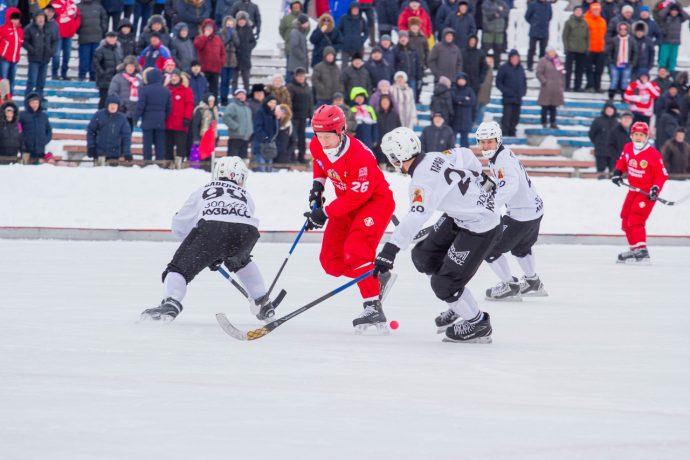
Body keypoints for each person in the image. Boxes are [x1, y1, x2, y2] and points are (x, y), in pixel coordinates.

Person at [375, 126, 500, 342]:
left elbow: (416, 216)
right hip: (460, 216)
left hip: (481, 226)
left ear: (396, 157)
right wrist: (482, 177)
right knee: (423, 256)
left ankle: (478, 324)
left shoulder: (421, 183)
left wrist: (390, 250)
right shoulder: (436, 156)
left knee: (443, 285)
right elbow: (466, 154)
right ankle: (457, 301)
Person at [140, 157, 278, 322]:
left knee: (178, 270)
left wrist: (206, 251)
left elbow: (180, 226)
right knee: (241, 261)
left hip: (211, 229)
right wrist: (219, 252)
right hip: (246, 231)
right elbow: (237, 222)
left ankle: (171, 304)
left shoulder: (203, 190)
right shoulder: (245, 195)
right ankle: (263, 301)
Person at [302, 105, 396, 333]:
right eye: (319, 135)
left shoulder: (360, 156)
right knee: (331, 262)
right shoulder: (317, 144)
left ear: (341, 130)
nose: (323, 142)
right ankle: (376, 276)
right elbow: (320, 162)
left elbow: (357, 196)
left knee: (356, 250)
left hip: (375, 203)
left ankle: (373, 306)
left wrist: (323, 213)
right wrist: (318, 186)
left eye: (328, 136)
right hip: (347, 203)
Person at [474, 121, 546, 301]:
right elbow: (505, 182)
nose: (485, 146)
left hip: (521, 215)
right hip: (534, 209)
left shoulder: (502, 162)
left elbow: (508, 187)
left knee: (488, 249)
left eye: (489, 141)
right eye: (482, 142)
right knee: (521, 247)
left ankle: (510, 286)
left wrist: (488, 208)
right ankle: (532, 282)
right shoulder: (502, 155)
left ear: (498, 140)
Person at [611, 121, 668, 263]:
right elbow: (622, 161)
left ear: (646, 137)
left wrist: (655, 189)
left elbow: (662, 175)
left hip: (647, 192)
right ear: (631, 136)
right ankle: (634, 249)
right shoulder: (628, 147)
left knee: (636, 219)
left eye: (641, 135)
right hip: (633, 189)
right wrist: (618, 172)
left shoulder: (653, 154)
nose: (638, 137)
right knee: (625, 218)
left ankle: (642, 251)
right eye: (635, 134)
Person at [136, 68, 172, 161]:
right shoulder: (166, 90)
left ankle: (147, 161)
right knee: (159, 143)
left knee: (147, 144)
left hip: (147, 121)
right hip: (160, 121)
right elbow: (169, 108)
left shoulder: (145, 90)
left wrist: (136, 117)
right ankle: (159, 161)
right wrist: (164, 117)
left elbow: (141, 106)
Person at [87, 94, 132, 165]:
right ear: (107, 105)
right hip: (100, 153)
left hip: (115, 154)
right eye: (111, 104)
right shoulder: (99, 115)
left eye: (115, 105)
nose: (113, 107)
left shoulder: (122, 118)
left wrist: (127, 153)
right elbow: (91, 131)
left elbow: (126, 137)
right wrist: (91, 147)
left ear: (118, 106)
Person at [22, 11, 57, 99]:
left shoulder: (48, 28)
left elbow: (54, 40)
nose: (41, 19)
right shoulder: (29, 28)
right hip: (34, 59)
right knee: (32, 81)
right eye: (39, 17)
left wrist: (51, 51)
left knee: (41, 81)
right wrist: (32, 50)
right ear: (35, 18)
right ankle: (28, 98)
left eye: (42, 17)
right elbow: (24, 41)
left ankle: (39, 98)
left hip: (45, 58)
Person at [165, 70, 194, 166]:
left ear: (180, 78)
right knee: (168, 144)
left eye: (176, 76)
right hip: (168, 122)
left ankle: (180, 162)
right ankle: (169, 162)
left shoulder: (186, 90)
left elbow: (189, 105)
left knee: (180, 144)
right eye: (172, 76)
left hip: (180, 123)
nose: (174, 78)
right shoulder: (166, 89)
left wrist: (187, 118)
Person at [496, 49, 527, 137]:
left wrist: (523, 91)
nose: (515, 59)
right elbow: (498, 82)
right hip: (508, 97)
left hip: (518, 97)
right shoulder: (503, 68)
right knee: (507, 116)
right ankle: (505, 133)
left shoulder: (521, 68)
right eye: (513, 57)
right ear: (510, 58)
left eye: (517, 58)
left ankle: (512, 132)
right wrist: (506, 91)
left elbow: (524, 81)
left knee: (515, 117)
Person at [194, 19, 226, 99]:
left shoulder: (218, 39)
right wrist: (205, 36)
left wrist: (220, 62)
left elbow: (223, 53)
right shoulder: (199, 38)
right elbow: (197, 46)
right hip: (204, 69)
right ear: (203, 28)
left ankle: (214, 106)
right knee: (203, 89)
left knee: (214, 90)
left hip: (215, 70)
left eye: (211, 28)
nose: (209, 29)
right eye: (207, 27)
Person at [286, 67, 313, 164]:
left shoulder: (307, 88)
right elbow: (288, 103)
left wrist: (311, 115)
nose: (301, 78)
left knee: (302, 138)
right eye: (299, 76)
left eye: (303, 76)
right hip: (293, 117)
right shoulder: (290, 87)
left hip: (303, 117)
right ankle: (292, 157)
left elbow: (310, 103)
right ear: (295, 76)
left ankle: (301, 157)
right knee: (293, 138)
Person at [77, 0, 107, 82]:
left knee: (95, 59)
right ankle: (82, 76)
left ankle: (93, 76)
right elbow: (75, 21)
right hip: (84, 38)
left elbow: (104, 19)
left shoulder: (99, 6)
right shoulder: (78, 7)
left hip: (97, 38)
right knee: (84, 59)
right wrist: (79, 31)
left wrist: (102, 30)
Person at [108, 56, 142, 128]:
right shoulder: (118, 77)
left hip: (133, 112)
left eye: (132, 66)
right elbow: (112, 93)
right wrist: (121, 105)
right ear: (125, 66)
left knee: (128, 134)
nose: (130, 68)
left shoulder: (139, 79)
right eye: (129, 66)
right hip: (121, 111)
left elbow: (142, 94)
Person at [536, 46, 565, 129]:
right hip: (546, 88)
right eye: (550, 52)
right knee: (545, 106)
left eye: (553, 52)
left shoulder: (558, 61)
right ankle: (544, 122)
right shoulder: (543, 61)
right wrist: (544, 81)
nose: (552, 54)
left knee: (554, 106)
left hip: (556, 88)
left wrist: (561, 83)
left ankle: (553, 122)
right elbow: (539, 72)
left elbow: (562, 72)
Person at [50, 0, 80, 81]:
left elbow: (77, 17)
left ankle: (64, 73)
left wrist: (73, 29)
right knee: (56, 55)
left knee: (67, 55)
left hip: (69, 34)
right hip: (58, 34)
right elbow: (50, 18)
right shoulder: (54, 3)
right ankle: (54, 74)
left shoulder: (72, 4)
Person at [562, 5, 589, 92]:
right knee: (568, 70)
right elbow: (565, 36)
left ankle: (577, 86)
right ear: (574, 12)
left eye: (580, 11)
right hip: (571, 49)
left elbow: (587, 37)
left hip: (581, 50)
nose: (578, 12)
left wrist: (587, 48)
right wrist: (566, 47)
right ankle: (567, 86)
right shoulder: (569, 22)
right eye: (577, 11)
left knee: (579, 70)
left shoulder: (585, 23)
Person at [607, 22, 636, 101]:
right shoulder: (614, 40)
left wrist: (632, 63)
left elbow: (635, 52)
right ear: (618, 30)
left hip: (626, 64)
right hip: (615, 63)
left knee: (624, 81)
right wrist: (611, 62)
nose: (623, 31)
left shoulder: (631, 40)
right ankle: (611, 97)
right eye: (621, 29)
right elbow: (610, 52)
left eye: (625, 29)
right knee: (614, 80)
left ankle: (624, 97)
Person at [589, 102, 619, 177]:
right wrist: (597, 143)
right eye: (608, 109)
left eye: (611, 109)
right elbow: (591, 134)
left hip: (613, 152)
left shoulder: (617, 122)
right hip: (600, 150)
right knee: (600, 171)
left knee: (613, 171)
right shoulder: (598, 121)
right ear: (604, 110)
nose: (609, 111)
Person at [19, 93, 52, 163]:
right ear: (28, 103)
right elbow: (18, 130)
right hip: (26, 149)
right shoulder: (22, 115)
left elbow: (49, 131)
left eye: (37, 102)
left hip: (40, 149)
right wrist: (23, 141)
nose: (35, 105)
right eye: (33, 103)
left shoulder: (44, 116)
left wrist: (44, 141)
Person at [94, 32, 123, 109]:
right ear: (106, 38)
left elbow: (121, 61)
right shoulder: (100, 50)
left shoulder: (119, 50)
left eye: (113, 37)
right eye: (110, 37)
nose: (112, 39)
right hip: (104, 80)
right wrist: (103, 73)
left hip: (116, 79)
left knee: (114, 101)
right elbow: (95, 63)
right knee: (104, 100)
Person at [657, 3, 688, 73]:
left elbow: (687, 16)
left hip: (675, 42)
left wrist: (679, 8)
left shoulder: (679, 18)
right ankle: (661, 72)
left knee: (673, 59)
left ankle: (671, 73)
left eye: (676, 11)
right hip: (666, 41)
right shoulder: (665, 18)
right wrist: (669, 7)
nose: (674, 12)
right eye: (672, 10)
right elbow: (660, 15)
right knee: (663, 58)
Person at [223, 87, 253, 159]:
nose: (242, 96)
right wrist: (235, 127)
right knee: (233, 160)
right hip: (235, 137)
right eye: (240, 94)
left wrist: (250, 132)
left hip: (245, 138)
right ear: (236, 96)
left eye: (243, 94)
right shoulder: (232, 106)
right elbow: (226, 118)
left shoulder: (247, 108)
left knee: (242, 160)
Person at [393, 31, 422, 102]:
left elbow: (418, 64)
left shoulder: (413, 50)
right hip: (400, 80)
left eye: (405, 37)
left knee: (412, 99)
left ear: (408, 39)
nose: (403, 39)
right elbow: (393, 66)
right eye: (401, 37)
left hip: (412, 78)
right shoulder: (395, 50)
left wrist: (419, 76)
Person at [584, 2, 607, 93]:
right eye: (594, 10)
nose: (596, 11)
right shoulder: (586, 20)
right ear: (591, 10)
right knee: (589, 69)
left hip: (600, 49)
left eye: (598, 10)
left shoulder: (603, 21)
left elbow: (604, 35)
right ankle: (590, 85)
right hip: (589, 49)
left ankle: (597, 86)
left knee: (599, 70)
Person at [524, 0, 552, 72]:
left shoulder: (548, 5)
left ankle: (541, 67)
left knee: (542, 51)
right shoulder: (533, 4)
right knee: (532, 49)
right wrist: (534, 23)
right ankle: (529, 66)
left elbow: (550, 16)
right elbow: (527, 16)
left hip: (544, 32)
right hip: (534, 31)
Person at [251, 94, 278, 169]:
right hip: (260, 144)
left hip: (270, 146)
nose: (273, 104)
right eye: (271, 102)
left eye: (275, 103)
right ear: (267, 102)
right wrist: (265, 138)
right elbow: (257, 127)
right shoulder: (261, 112)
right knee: (261, 168)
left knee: (269, 169)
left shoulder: (273, 114)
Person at [0, 8, 23, 93]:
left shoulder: (20, 31)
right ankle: (2, 99)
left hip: (14, 60)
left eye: (17, 18)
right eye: (13, 18)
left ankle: (10, 98)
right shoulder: (3, 29)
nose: (15, 21)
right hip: (4, 59)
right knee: (3, 80)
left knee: (12, 80)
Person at [481, 0, 509, 68]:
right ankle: (482, 65)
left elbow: (506, 11)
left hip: (499, 30)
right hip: (488, 30)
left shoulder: (502, 2)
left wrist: (497, 14)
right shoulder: (486, 3)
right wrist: (497, 10)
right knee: (485, 49)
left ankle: (497, 65)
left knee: (498, 50)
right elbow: (487, 13)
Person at [233, 11, 255, 95]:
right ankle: (235, 94)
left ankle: (247, 95)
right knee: (234, 79)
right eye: (240, 20)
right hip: (235, 58)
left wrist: (248, 48)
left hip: (245, 58)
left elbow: (253, 41)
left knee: (246, 79)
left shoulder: (249, 30)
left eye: (243, 20)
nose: (241, 22)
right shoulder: (234, 29)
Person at [349, 86, 378, 150]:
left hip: (368, 138)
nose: (359, 99)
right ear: (354, 98)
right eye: (357, 97)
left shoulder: (369, 109)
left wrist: (375, 138)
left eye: (361, 97)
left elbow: (374, 125)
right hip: (356, 138)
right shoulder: (351, 110)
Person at [451, 72, 476, 147]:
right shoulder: (453, 89)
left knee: (464, 142)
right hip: (455, 119)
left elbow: (472, 101)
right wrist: (465, 98)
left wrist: (459, 101)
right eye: (460, 79)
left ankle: (465, 156)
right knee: (452, 140)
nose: (461, 81)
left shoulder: (469, 90)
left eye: (463, 79)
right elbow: (454, 99)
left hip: (466, 119)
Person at [374, 94, 400, 164]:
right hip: (380, 140)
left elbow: (399, 127)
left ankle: (392, 165)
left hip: (392, 141)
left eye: (386, 101)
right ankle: (381, 164)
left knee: (392, 154)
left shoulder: (395, 115)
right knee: (380, 154)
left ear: (390, 103)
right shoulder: (376, 114)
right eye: (383, 102)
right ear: (380, 103)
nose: (385, 103)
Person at [218, 16, 238, 105]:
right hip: (224, 58)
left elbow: (237, 43)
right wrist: (228, 37)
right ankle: (223, 98)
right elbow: (221, 44)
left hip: (232, 59)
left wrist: (233, 35)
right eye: (228, 23)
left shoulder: (235, 33)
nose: (230, 25)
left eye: (231, 23)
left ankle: (226, 97)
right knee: (224, 80)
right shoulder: (221, 33)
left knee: (229, 80)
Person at [286, 13, 310, 84]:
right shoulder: (295, 32)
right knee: (294, 82)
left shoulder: (301, 31)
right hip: (296, 64)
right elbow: (294, 46)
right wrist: (302, 56)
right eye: (307, 22)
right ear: (303, 22)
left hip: (299, 63)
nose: (308, 24)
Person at [476, 50, 495, 126]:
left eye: (491, 60)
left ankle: (478, 124)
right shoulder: (481, 67)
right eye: (488, 59)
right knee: (477, 110)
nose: (490, 61)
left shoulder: (491, 69)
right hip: (478, 93)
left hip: (485, 95)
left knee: (482, 111)